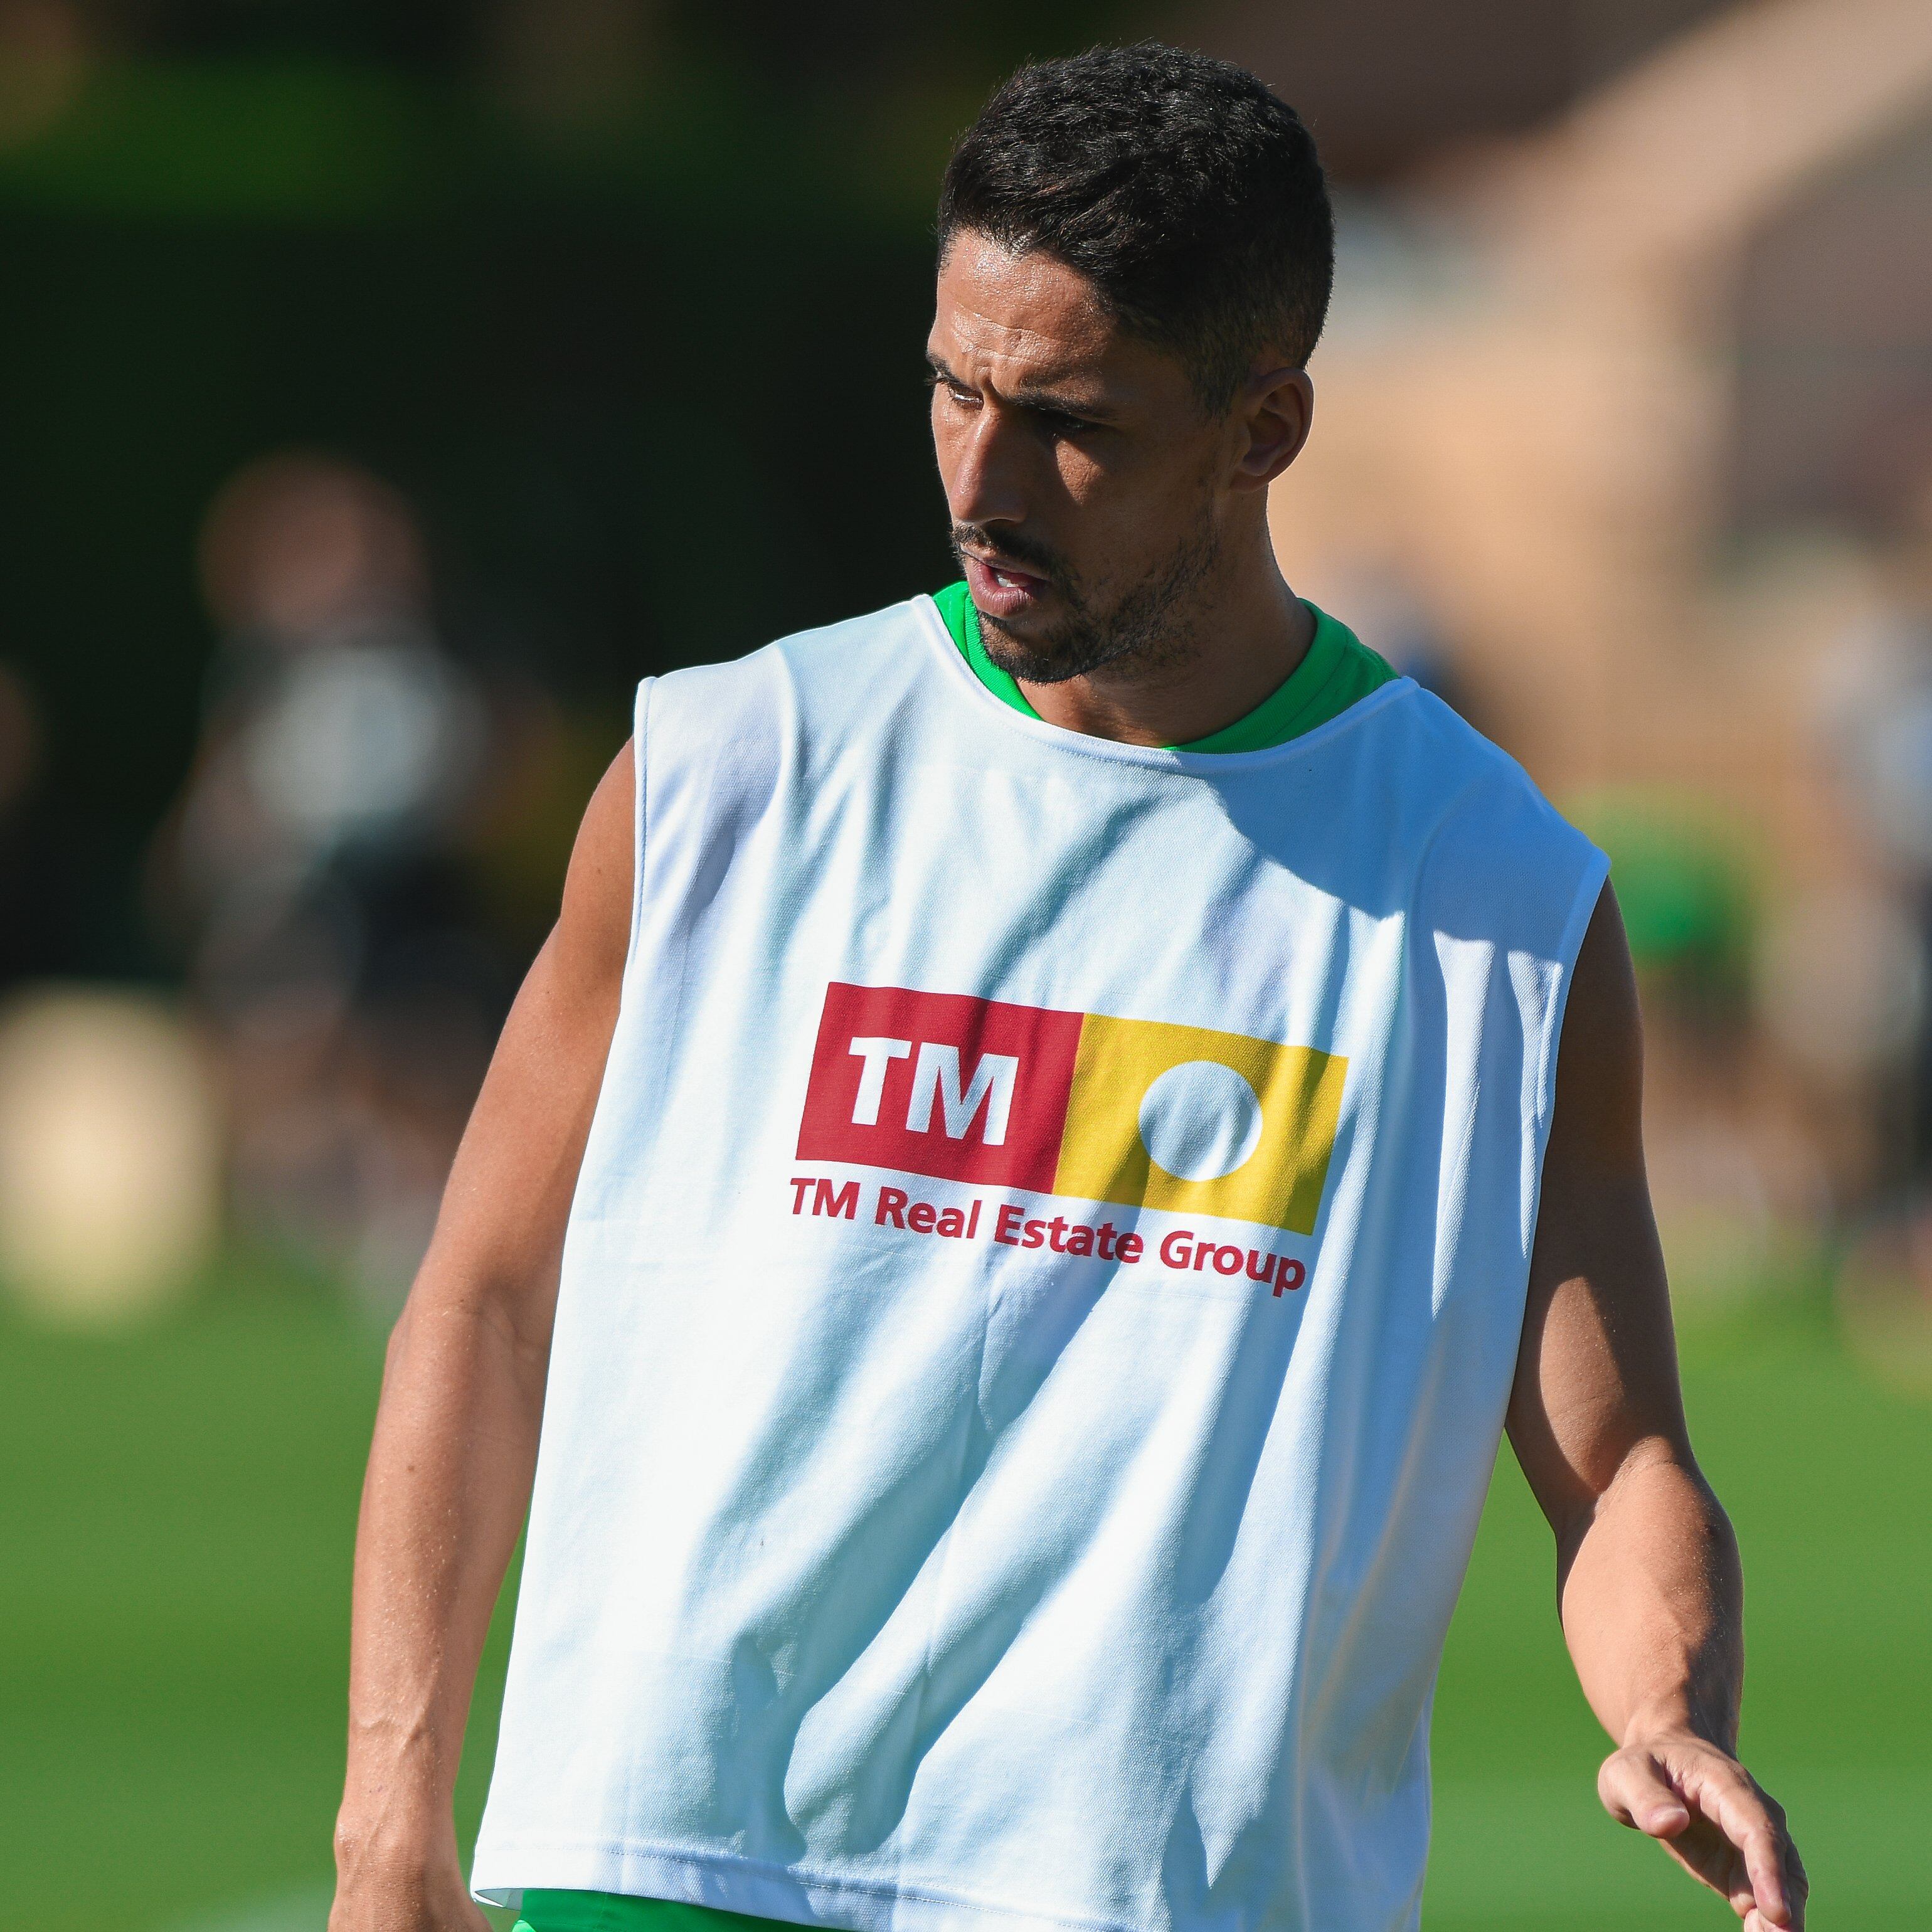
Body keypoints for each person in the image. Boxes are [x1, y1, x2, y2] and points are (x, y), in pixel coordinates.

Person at [328, 45, 1806, 1932]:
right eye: (955, 388)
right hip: (674, 1860)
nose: (984, 476)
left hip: (1162, 1894)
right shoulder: (729, 773)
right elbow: (485, 1301)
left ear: (1267, 426)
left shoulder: (1492, 897)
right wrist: (392, 1815)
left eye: (1074, 422)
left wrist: (1666, 1703)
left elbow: (1615, 1463)